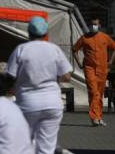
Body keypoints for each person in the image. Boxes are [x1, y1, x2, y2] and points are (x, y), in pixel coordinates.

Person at [6, 16, 72, 154]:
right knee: (46, 148)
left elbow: (10, 76)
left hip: (27, 103)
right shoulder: (54, 49)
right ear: (46, 33)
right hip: (52, 103)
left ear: (29, 33)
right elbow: (67, 76)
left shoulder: (21, 49)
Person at [73, 17, 115, 126]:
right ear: (89, 26)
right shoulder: (84, 38)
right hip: (89, 68)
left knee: (100, 93)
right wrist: (79, 63)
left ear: (99, 25)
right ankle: (94, 117)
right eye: (92, 24)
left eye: (96, 24)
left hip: (102, 69)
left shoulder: (104, 37)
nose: (94, 26)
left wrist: (110, 61)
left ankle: (98, 116)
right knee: (93, 92)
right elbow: (74, 49)